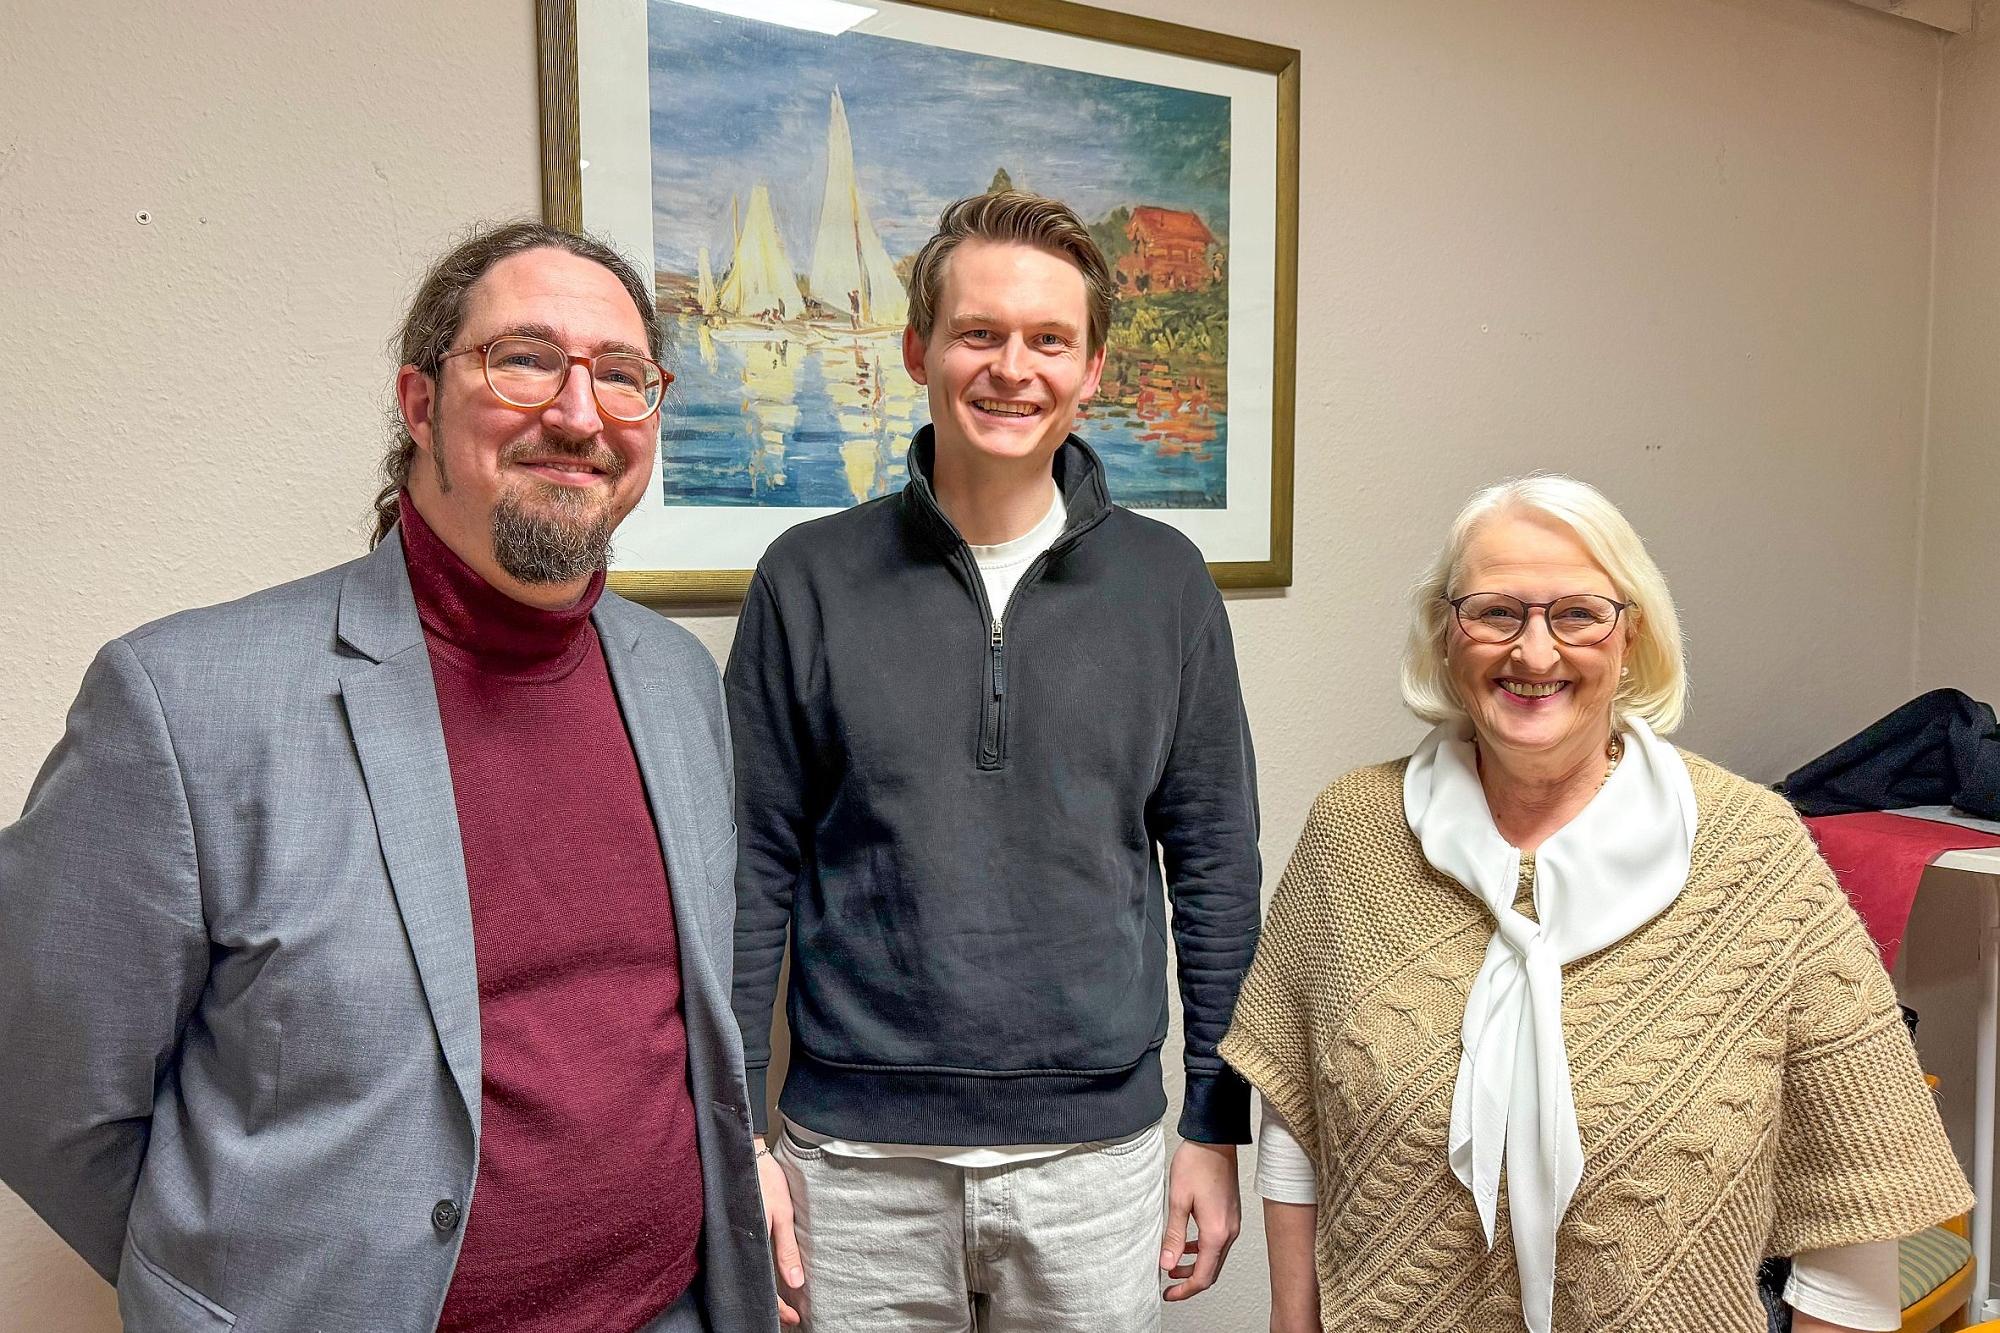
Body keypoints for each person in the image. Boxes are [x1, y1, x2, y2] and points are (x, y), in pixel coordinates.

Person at [0, 221, 777, 1333]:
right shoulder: (182, 704)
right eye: (524, 360)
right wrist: (234, 1292)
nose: (579, 413)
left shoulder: (675, 681)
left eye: (621, 375)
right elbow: (41, 1090)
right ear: (419, 403)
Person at [1220, 475, 1973, 1333]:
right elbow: (1298, 1106)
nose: (1535, 653)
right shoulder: (1354, 834)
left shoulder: (1754, 855)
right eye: (1496, 612)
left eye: (1578, 613)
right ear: (1445, 632)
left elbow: (1857, 1195)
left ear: (1630, 636)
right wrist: (1292, 1319)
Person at [727, 190, 1262, 1331]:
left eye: (1048, 340)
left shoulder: (1167, 585)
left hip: (1097, 1163)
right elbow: (750, 868)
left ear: (1091, 370)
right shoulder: (804, 579)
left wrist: (1215, 1122)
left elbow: (1215, 864)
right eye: (978, 333)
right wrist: (733, 1132)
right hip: (853, 1168)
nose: (1012, 368)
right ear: (917, 349)